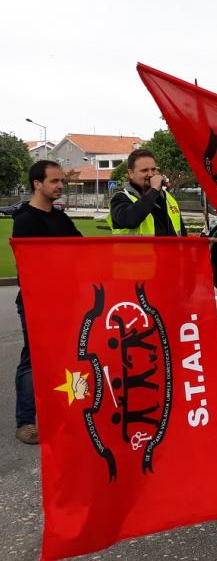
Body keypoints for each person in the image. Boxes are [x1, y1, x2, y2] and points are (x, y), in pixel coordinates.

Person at [11, 160, 81, 445]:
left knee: (64, 358)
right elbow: (34, 267)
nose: (60, 186)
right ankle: (26, 422)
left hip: (64, 300)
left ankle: (62, 412)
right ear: (37, 184)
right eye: (54, 181)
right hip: (36, 301)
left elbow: (82, 248)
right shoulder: (26, 219)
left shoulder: (61, 218)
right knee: (33, 360)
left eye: (62, 181)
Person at [107, 148, 186, 236]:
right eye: (145, 170)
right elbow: (129, 220)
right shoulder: (120, 198)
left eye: (153, 169)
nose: (151, 174)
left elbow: (182, 232)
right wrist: (154, 190)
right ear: (131, 173)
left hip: (171, 250)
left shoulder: (168, 198)